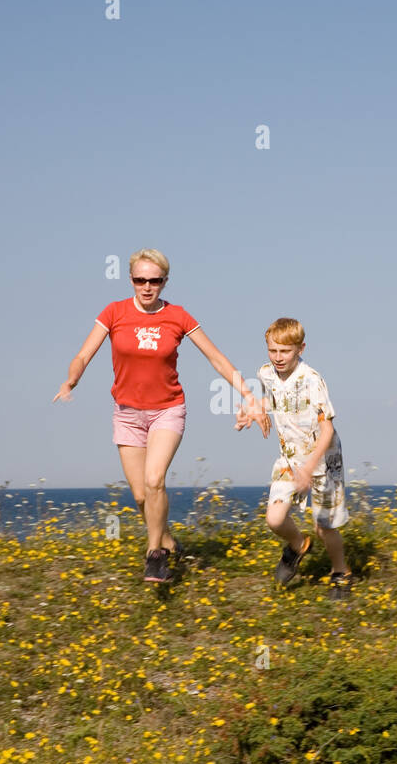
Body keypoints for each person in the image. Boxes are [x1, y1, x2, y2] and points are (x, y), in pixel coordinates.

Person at [54, 248, 269, 583]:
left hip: (167, 410)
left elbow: (216, 358)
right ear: (131, 280)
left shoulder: (178, 316)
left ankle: (156, 555)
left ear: (165, 282)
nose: (147, 286)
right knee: (141, 495)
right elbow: (83, 354)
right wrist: (71, 379)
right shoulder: (114, 312)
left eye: (155, 280)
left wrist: (247, 394)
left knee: (155, 481)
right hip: (126, 414)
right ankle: (168, 540)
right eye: (140, 279)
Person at [235, 317, 353, 596]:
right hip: (289, 459)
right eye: (273, 350)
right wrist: (255, 411)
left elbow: (328, 430)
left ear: (301, 348)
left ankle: (341, 572)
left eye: (285, 351)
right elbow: (276, 400)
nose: (278, 357)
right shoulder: (266, 373)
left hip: (323, 463)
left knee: (325, 528)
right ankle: (298, 546)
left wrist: (310, 467)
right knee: (274, 519)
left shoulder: (312, 381)